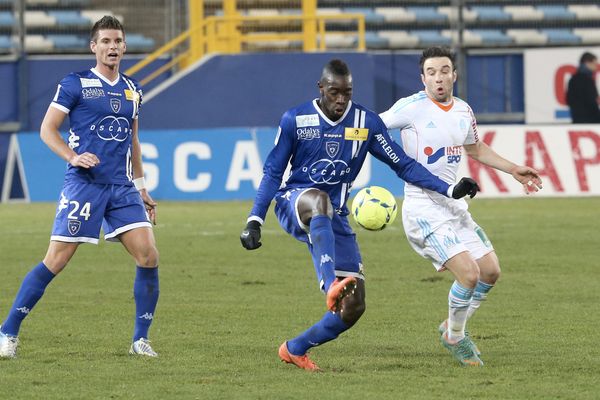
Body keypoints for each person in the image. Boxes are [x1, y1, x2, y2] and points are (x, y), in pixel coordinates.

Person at [240, 58, 480, 372]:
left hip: (335, 214)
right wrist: (255, 218)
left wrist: (449, 190)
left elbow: (402, 165)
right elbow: (273, 172)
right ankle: (330, 286)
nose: (341, 100)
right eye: (334, 92)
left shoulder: (364, 123)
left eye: (347, 93)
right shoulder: (296, 120)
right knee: (319, 201)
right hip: (294, 201)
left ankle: (295, 348)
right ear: (321, 88)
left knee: (353, 306)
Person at [0, 16, 160, 359]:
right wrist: (72, 157)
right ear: (94, 47)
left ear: (124, 46)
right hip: (84, 186)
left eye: (117, 41)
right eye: (105, 41)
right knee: (56, 260)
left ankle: (139, 340)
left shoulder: (133, 89)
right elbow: (47, 130)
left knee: (148, 255)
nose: (112, 47)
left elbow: (133, 140)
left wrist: (142, 187)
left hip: (121, 186)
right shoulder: (75, 83)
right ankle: (8, 331)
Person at [380, 46, 543, 367]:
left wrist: (513, 169)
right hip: (423, 208)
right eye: (431, 72)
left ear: (454, 74)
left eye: (444, 71)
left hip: (453, 205)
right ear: (422, 78)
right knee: (468, 274)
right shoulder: (410, 108)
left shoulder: (463, 111)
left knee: (491, 271)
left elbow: (476, 148)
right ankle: (455, 335)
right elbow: (371, 128)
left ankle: (453, 327)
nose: (438, 78)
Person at [566, 52, 600, 123]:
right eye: (595, 63)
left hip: (577, 119)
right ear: (587, 63)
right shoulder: (587, 80)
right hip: (591, 120)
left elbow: (568, 100)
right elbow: (592, 101)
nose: (596, 66)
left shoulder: (573, 79)